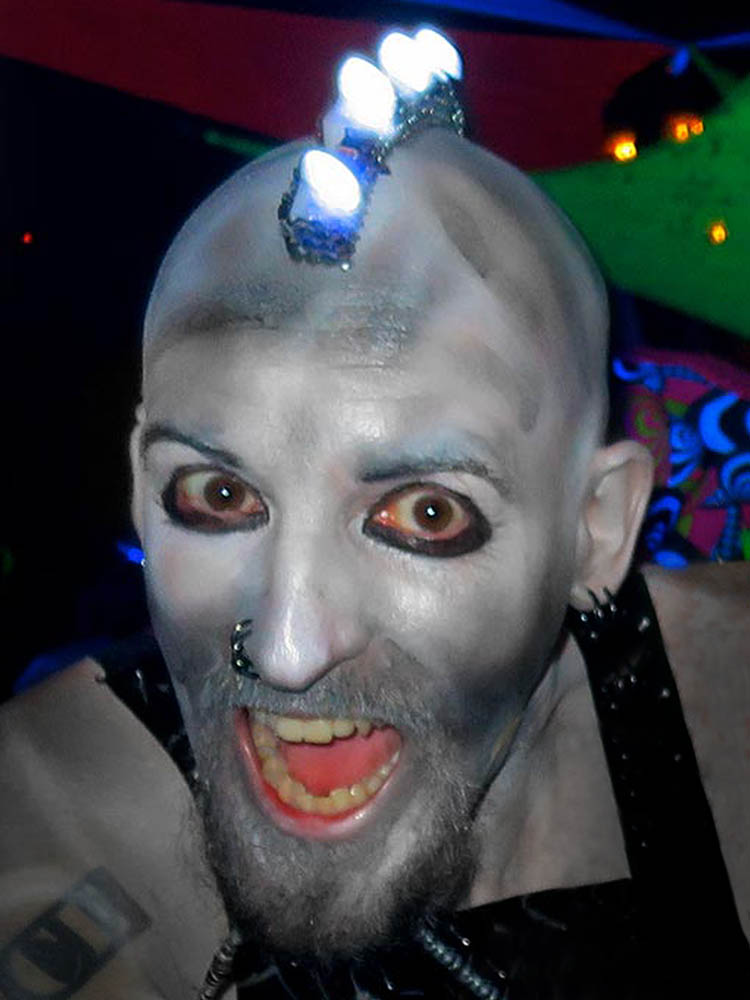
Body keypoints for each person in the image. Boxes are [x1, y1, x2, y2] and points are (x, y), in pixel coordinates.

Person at [1, 34, 749, 1000]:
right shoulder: (47, 805)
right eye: (220, 495)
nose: (287, 650)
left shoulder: (722, 710)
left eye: (426, 514)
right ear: (143, 490)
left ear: (595, 529)